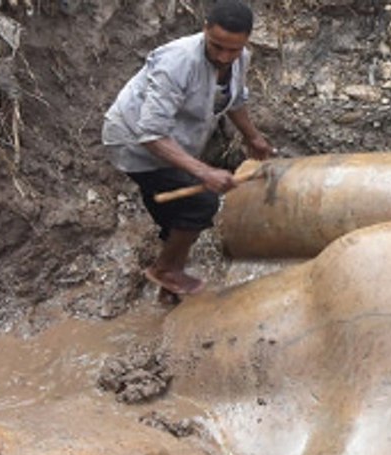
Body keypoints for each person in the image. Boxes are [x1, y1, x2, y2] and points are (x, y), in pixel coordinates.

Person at [102, 0, 275, 296]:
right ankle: (166, 269)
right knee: (200, 203)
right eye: (216, 45)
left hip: (174, 139)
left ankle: (168, 277)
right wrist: (205, 172)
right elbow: (151, 133)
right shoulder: (177, 62)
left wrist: (252, 137)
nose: (223, 56)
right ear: (204, 29)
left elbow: (235, 99)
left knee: (175, 212)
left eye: (232, 49)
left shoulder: (240, 57)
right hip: (134, 142)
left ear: (245, 40)